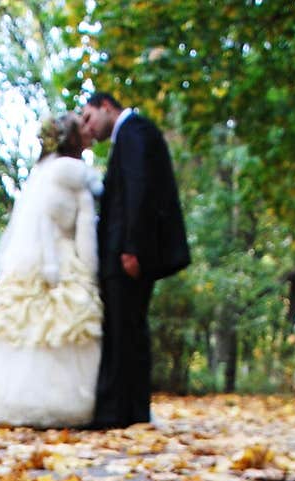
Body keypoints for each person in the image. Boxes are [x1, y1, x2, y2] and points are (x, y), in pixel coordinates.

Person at [0, 112, 102, 429]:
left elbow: (40, 221)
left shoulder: (40, 174)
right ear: (73, 140)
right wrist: (91, 270)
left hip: (33, 262)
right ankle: (67, 403)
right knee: (66, 326)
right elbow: (85, 232)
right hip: (65, 260)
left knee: (17, 325)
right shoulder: (78, 177)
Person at [79, 91, 191, 428]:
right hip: (123, 250)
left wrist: (132, 247)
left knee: (125, 329)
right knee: (125, 328)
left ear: (106, 107)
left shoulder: (134, 131)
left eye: (89, 117)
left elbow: (139, 191)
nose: (88, 126)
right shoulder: (131, 134)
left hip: (127, 253)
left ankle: (120, 413)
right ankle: (127, 411)